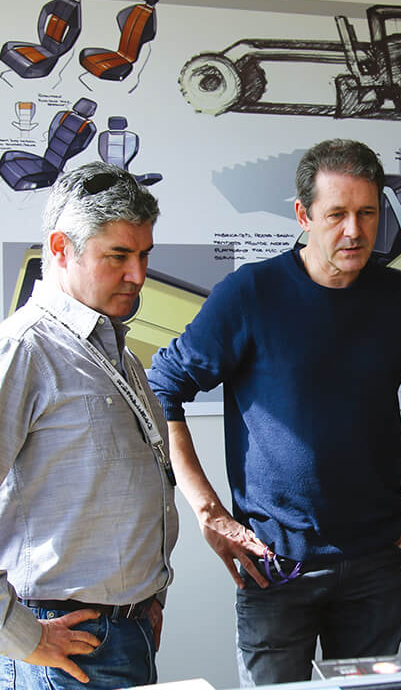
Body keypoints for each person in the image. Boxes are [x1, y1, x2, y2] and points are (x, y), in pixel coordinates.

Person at [147, 138, 401, 686]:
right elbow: (162, 389)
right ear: (303, 216)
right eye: (337, 214)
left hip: (378, 564)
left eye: (367, 213)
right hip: (276, 566)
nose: (354, 231)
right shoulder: (251, 294)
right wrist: (208, 512)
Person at [0, 162, 178, 688]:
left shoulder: (118, 354)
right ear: (61, 249)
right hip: (61, 645)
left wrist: (147, 601)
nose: (138, 275)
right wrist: (20, 636)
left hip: (126, 630)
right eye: (118, 256)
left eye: (144, 255)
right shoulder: (26, 349)